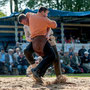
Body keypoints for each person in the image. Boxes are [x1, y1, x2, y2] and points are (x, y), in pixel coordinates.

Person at [18, 7, 57, 82]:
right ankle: (36, 68)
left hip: (45, 38)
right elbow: (26, 37)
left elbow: (49, 27)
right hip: (37, 40)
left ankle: (39, 73)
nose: (25, 23)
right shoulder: (27, 24)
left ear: (26, 18)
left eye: (25, 21)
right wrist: (30, 39)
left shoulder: (33, 17)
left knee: (52, 58)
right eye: (23, 23)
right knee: (52, 56)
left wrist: (47, 34)